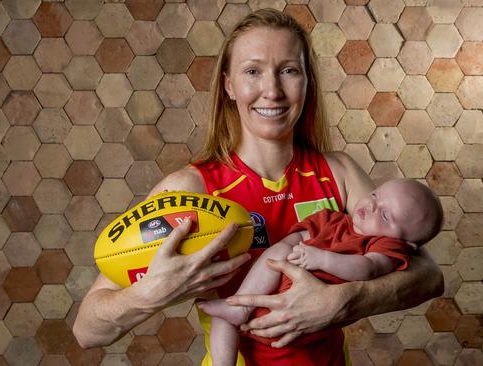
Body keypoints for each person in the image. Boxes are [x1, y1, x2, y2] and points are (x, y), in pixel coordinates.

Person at [73, 8, 443, 365]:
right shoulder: (192, 189)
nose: (272, 90)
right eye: (252, 71)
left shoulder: (338, 172)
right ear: (229, 86)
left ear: (307, 83)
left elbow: (427, 275)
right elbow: (88, 330)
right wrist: (152, 293)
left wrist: (344, 300)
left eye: (288, 71)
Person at [199, 179, 443, 365]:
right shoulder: (333, 219)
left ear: (406, 244)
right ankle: (235, 319)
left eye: (385, 214)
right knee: (224, 318)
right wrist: (292, 246)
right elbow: (298, 237)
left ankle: (239, 308)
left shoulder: (384, 245)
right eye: (374, 194)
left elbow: (368, 268)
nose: (370, 205)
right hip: (259, 308)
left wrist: (322, 259)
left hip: (302, 329)